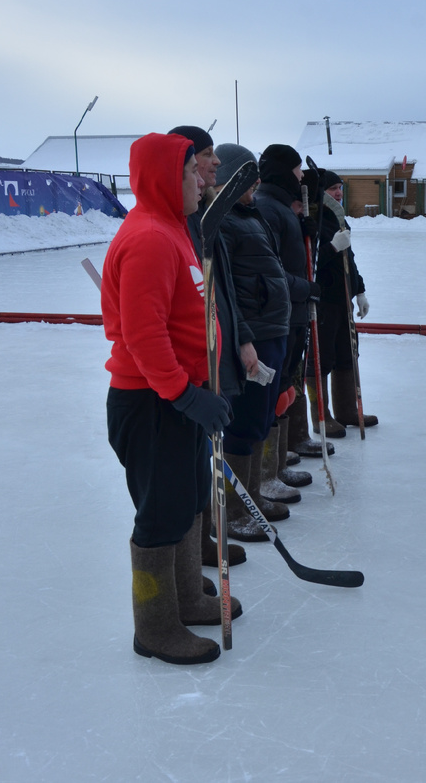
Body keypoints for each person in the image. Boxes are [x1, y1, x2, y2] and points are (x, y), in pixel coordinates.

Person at [102, 132, 240, 665]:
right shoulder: (151, 239)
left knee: (186, 502)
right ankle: (155, 626)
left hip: (177, 399)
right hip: (152, 404)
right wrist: (185, 395)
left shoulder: (175, 232)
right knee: (160, 516)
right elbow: (144, 335)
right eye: (191, 173)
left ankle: (186, 598)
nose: (200, 181)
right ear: (167, 177)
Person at [168, 125, 250, 572]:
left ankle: (202, 548)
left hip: (206, 365)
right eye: (205, 157)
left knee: (198, 472)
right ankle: (188, 567)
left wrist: (237, 339)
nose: (213, 166)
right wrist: (186, 388)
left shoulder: (201, 219)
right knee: (176, 488)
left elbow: (220, 292)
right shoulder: (169, 228)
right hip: (178, 382)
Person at [214, 143, 292, 540]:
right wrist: (243, 336)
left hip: (272, 329)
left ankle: (253, 497)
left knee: (262, 419)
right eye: (247, 176)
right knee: (243, 427)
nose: (256, 183)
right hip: (254, 336)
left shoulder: (252, 214)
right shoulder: (223, 222)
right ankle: (235, 511)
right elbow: (223, 290)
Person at [254, 144, 318, 503]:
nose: (300, 177)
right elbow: (273, 272)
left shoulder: (281, 208)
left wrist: (309, 228)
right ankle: (264, 475)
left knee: (281, 392)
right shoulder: (268, 208)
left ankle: (274, 468)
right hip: (278, 316)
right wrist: (306, 289)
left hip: (291, 314)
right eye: (296, 170)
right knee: (271, 395)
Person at [315, 170, 377, 430]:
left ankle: (347, 410)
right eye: (332, 189)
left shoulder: (340, 220)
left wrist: (359, 290)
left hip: (343, 299)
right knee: (323, 357)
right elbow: (313, 263)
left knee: (347, 353)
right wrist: (331, 247)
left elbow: (348, 260)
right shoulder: (313, 220)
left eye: (340, 188)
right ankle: (321, 417)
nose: (338, 193)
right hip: (324, 300)